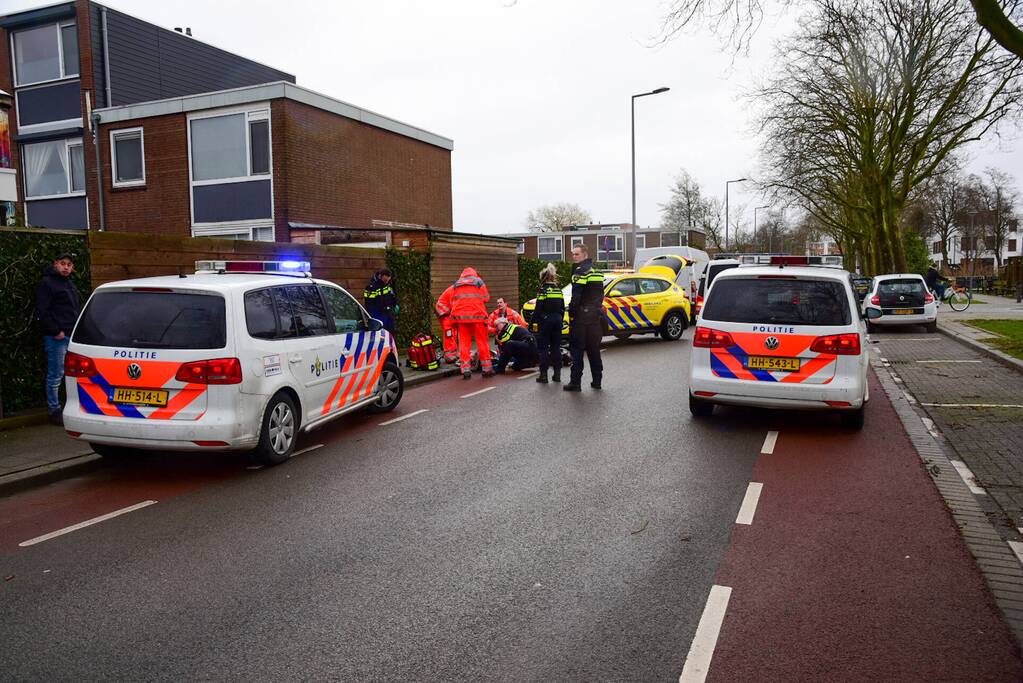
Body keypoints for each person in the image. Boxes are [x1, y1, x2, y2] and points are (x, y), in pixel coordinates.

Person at [36, 252, 80, 425]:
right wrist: (55, 331)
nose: (66, 267)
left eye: (69, 264)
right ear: (56, 264)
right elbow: (43, 310)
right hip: (58, 337)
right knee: (56, 375)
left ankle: (71, 407)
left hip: (72, 335)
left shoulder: (69, 283)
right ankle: (54, 410)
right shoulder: (47, 283)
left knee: (72, 374)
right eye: (63, 263)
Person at [565, 243, 604, 392]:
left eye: (577, 254)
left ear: (585, 255)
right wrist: (595, 310)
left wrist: (572, 315)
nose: (574, 257)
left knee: (577, 350)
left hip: (581, 318)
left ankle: (575, 383)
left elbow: (576, 297)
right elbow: (600, 295)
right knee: (594, 350)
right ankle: (597, 381)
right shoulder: (596, 272)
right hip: (594, 317)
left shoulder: (580, 272)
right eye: (573, 254)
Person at [450, 267, 494, 379]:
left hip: (461, 318)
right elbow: (486, 298)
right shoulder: (478, 281)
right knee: (482, 341)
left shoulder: (456, 284)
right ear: (474, 273)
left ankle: (465, 370)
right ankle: (487, 369)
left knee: (464, 343)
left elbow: (453, 300)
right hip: (477, 316)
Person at [533, 263, 565, 384]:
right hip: (557, 321)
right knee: (556, 348)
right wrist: (559, 319)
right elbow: (562, 308)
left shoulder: (543, 290)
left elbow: (538, 309)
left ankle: (544, 376)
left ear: (543, 278)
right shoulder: (559, 290)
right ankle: (557, 375)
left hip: (546, 322)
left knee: (543, 349)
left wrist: (532, 323)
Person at [363, 269, 398, 334]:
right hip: (378, 314)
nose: (387, 281)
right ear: (380, 276)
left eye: (388, 279)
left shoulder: (388, 285)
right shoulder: (372, 287)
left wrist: (394, 304)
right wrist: (375, 319)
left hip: (387, 314)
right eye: (385, 279)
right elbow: (369, 304)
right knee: (380, 334)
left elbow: (392, 296)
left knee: (390, 333)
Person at [434, 285, 458, 364]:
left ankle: (453, 352)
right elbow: (454, 305)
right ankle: (448, 354)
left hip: (447, 312)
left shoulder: (457, 289)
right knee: (449, 333)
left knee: (452, 332)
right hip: (444, 313)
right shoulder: (454, 290)